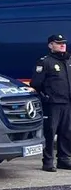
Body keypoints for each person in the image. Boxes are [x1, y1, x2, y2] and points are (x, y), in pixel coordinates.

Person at [30, 33, 71, 172]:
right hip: (53, 103)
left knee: (67, 132)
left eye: (63, 43)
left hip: (67, 102)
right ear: (50, 45)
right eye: (58, 43)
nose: (62, 45)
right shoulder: (45, 62)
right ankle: (48, 161)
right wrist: (46, 96)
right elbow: (36, 83)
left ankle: (64, 160)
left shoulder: (69, 60)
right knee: (50, 132)